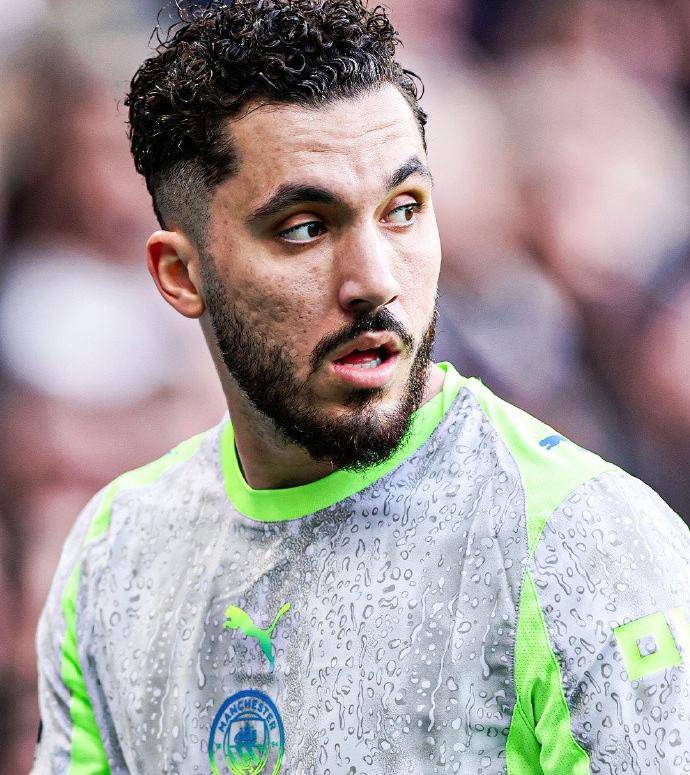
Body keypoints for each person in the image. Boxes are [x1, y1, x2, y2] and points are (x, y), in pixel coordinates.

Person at [32, 2, 690, 773]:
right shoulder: (118, 555)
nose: (375, 281)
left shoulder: (584, 544)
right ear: (182, 274)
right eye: (305, 228)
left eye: (402, 210)